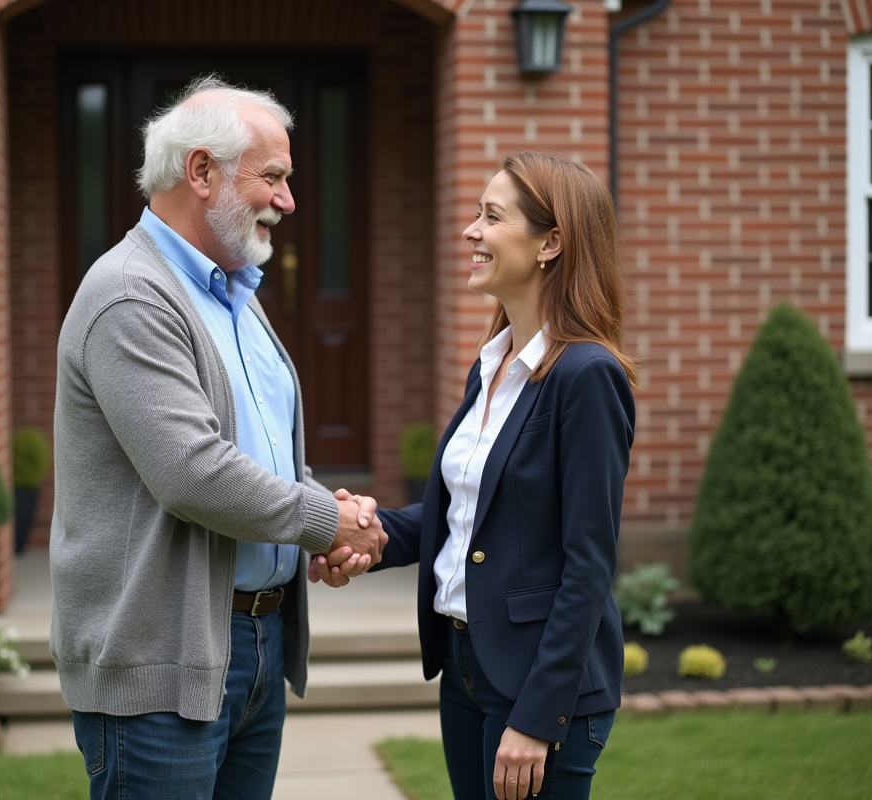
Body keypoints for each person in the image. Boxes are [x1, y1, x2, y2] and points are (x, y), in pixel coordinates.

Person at [50, 76, 386, 800]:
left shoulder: (236, 293)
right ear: (201, 172)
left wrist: (332, 515)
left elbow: (258, 453)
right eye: (274, 177)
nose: (288, 200)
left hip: (256, 645)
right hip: (160, 667)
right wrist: (327, 522)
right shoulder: (130, 294)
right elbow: (194, 472)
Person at [324, 151, 637, 800]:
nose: (471, 231)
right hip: (466, 665)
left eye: (492, 217)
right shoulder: (491, 367)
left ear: (550, 243)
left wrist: (537, 717)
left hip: (537, 685)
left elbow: (589, 564)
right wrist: (358, 533)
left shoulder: (586, 377)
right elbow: (463, 515)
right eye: (477, 215)